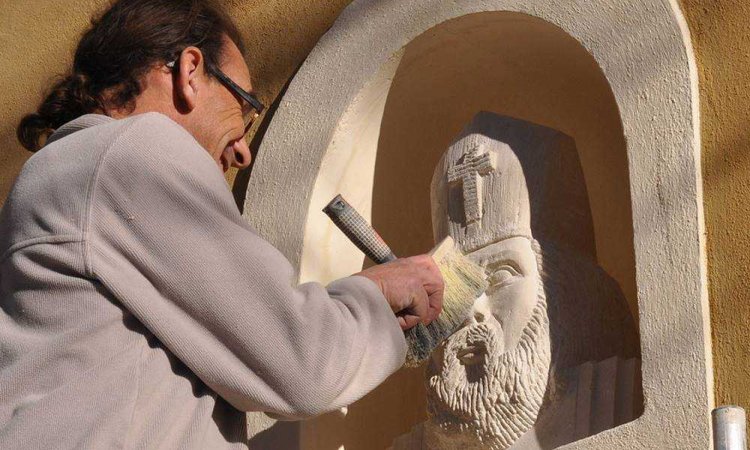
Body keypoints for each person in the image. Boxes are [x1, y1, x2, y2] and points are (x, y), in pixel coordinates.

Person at [0, 1, 444, 449]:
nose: (242, 153)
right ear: (190, 72)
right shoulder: (132, 154)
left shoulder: (64, 173)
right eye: (246, 106)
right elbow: (304, 361)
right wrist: (376, 294)